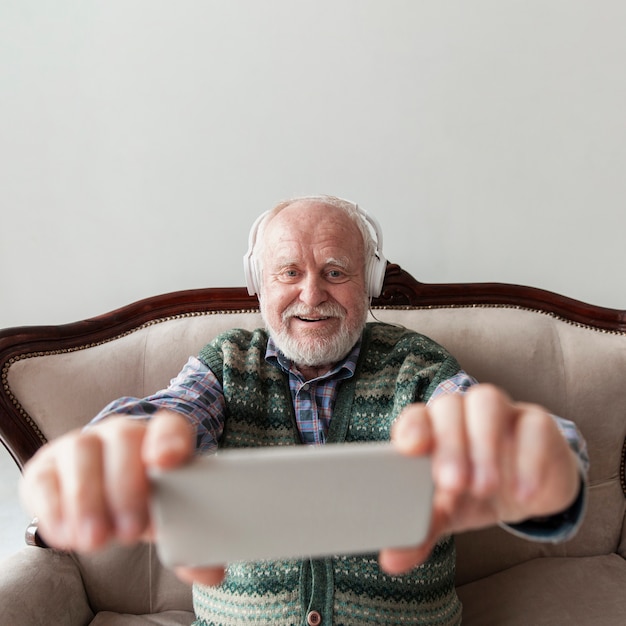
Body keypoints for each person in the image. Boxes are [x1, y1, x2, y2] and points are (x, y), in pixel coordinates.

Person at [21, 195, 588, 626]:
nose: (312, 294)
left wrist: (540, 461)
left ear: (367, 284)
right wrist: (122, 446)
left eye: (336, 272)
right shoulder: (226, 365)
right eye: (289, 272)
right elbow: (175, 415)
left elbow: (471, 419)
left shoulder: (415, 365)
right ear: (259, 287)